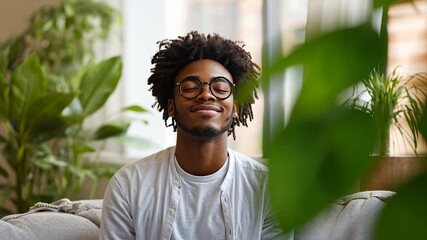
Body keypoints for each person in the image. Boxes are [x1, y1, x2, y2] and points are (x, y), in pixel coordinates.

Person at [99, 31, 286, 239]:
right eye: (189, 88)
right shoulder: (129, 185)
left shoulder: (268, 189)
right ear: (171, 107)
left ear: (235, 107)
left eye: (220, 88)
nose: (206, 94)